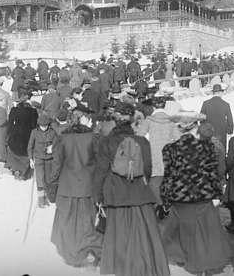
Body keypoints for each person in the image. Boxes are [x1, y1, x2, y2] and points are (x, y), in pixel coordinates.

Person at [93, 102, 169, 276]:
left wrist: (98, 196)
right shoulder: (142, 141)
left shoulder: (106, 142)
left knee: (119, 234)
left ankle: (121, 268)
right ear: (132, 121)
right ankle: (143, 267)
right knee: (143, 235)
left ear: (115, 119)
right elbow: (148, 169)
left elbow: (101, 171)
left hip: (115, 195)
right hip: (139, 194)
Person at [158, 120, 232, 274]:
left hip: (180, 198)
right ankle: (205, 265)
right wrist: (218, 194)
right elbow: (213, 174)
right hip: (203, 196)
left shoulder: (170, 149)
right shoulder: (207, 147)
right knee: (207, 234)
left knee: (186, 234)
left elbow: (169, 176)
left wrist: (165, 197)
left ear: (179, 128)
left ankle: (191, 263)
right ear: (196, 128)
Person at [50, 109, 103, 268]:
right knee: (87, 221)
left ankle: (72, 253)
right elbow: (100, 162)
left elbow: (57, 164)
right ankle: (90, 251)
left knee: (67, 221)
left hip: (67, 187)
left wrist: (52, 183)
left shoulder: (62, 138)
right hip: (87, 186)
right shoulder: (94, 138)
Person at [135, 95, 182, 205]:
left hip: (153, 155)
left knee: (155, 183)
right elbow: (179, 139)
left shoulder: (149, 120)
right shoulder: (170, 121)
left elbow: (139, 136)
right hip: (168, 156)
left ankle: (158, 205)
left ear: (153, 108)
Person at [6, 88, 38, 180]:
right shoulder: (33, 111)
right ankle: (23, 171)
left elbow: (10, 124)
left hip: (16, 135)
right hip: (27, 135)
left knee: (13, 149)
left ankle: (16, 169)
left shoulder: (14, 110)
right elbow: (34, 125)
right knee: (27, 151)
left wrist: (10, 134)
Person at [28, 113, 57, 208]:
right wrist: (31, 159)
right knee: (40, 179)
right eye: (41, 126)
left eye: (45, 126)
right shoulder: (34, 132)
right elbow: (30, 147)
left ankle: (47, 197)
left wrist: (52, 147)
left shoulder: (52, 132)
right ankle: (41, 199)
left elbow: (57, 144)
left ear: (48, 124)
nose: (43, 127)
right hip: (39, 159)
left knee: (48, 179)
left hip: (50, 159)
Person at [199, 83, 234, 152]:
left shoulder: (206, 103)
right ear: (220, 92)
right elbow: (230, 120)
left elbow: (201, 119)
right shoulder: (225, 104)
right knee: (221, 153)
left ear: (213, 93)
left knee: (210, 154)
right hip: (221, 134)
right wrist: (229, 131)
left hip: (209, 134)